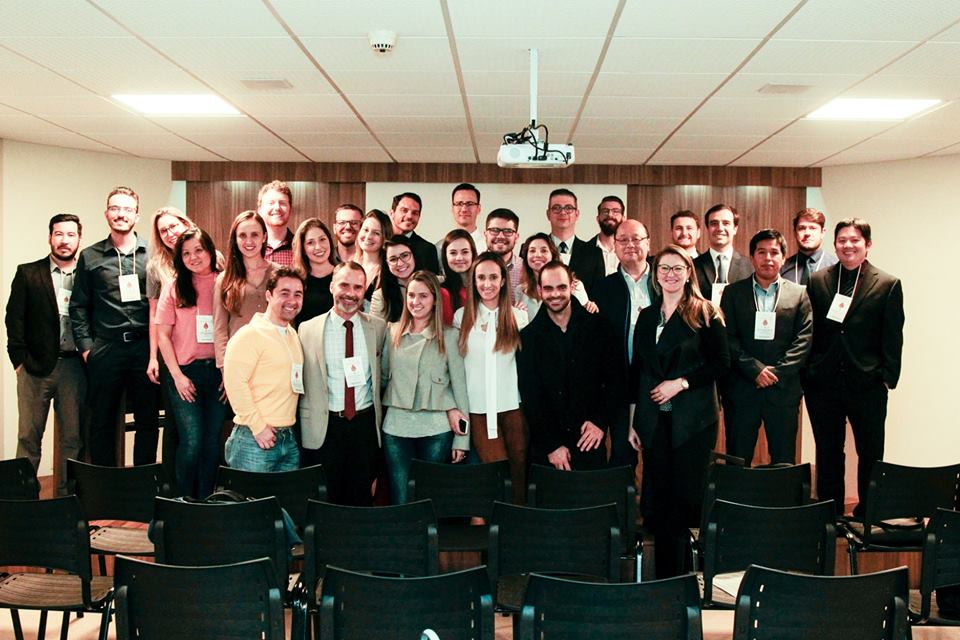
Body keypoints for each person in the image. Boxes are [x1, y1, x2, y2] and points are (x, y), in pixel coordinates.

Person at [629, 245, 729, 578]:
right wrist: (632, 421)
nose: (670, 274)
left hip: (693, 421)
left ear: (689, 273)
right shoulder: (647, 315)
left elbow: (721, 363)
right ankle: (664, 579)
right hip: (654, 419)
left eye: (677, 268)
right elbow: (638, 370)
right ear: (655, 275)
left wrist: (681, 383)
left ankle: (689, 577)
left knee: (687, 499)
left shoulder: (705, 312)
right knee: (658, 498)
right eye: (664, 269)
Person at [803, 218, 904, 517]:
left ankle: (867, 515)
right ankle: (830, 515)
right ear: (835, 245)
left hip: (868, 384)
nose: (848, 245)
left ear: (867, 244)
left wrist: (887, 378)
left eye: (855, 240)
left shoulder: (887, 284)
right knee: (828, 452)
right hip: (823, 384)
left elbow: (893, 336)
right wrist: (809, 372)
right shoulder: (818, 280)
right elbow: (810, 331)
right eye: (842, 240)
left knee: (871, 453)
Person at [70, 186, 160, 466]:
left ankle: (143, 481)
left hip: (144, 349)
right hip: (106, 349)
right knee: (102, 422)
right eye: (115, 208)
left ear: (137, 215)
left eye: (127, 209)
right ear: (106, 213)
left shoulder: (153, 254)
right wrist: (87, 349)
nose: (121, 214)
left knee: (147, 420)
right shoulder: (90, 256)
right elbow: (78, 306)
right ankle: (106, 486)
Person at [5, 213, 85, 495]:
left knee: (73, 439)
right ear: (50, 237)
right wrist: (19, 361)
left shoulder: (87, 276)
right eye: (59, 234)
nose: (64, 240)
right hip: (34, 369)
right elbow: (14, 319)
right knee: (28, 437)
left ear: (79, 239)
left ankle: (65, 499)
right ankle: (23, 500)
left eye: (71, 235)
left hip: (74, 368)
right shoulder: (28, 273)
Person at [517, 261, 622, 471]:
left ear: (572, 287)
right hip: (548, 450)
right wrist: (551, 445)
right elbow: (531, 396)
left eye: (561, 287)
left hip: (589, 439)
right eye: (548, 288)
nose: (555, 294)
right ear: (539, 290)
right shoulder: (527, 338)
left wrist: (599, 422)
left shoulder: (600, 328)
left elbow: (616, 380)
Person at [298, 262, 388, 505]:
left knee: (360, 499)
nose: (350, 293)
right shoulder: (307, 330)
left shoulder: (378, 328)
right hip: (324, 427)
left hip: (364, 426)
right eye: (344, 285)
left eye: (358, 287)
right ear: (331, 287)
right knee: (326, 500)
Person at [720, 229, 813, 464]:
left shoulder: (799, 294)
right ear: (752, 257)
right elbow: (728, 338)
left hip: (783, 391)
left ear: (784, 257)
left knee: (783, 460)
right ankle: (736, 491)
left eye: (774, 252)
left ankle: (781, 492)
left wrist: (776, 373)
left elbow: (803, 340)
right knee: (737, 460)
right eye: (761, 252)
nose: (768, 258)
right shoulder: (733, 293)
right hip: (742, 390)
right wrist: (755, 370)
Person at [381, 270, 470, 504]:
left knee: (428, 499)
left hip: (436, 428)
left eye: (423, 296)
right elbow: (383, 379)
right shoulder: (391, 332)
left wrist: (462, 439)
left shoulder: (449, 336)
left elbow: (460, 388)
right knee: (400, 498)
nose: (415, 302)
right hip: (396, 427)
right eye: (411, 295)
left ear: (435, 300)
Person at [155, 228, 228, 498]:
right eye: (186, 253)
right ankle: (183, 501)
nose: (193, 257)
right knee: (192, 441)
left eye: (198, 250)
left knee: (211, 443)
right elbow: (163, 335)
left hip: (218, 372)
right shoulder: (175, 287)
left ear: (210, 250)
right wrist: (177, 376)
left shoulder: (225, 282)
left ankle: (206, 500)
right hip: (185, 374)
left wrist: (229, 375)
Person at [453, 252, 529, 503]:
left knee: (518, 473)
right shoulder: (461, 317)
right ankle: (497, 522)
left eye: (494, 277)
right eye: (481, 277)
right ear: (473, 281)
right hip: (479, 410)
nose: (487, 284)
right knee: (495, 472)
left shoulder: (518, 317)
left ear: (503, 280)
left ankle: (518, 521)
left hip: (513, 408)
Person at [222, 267, 305, 472]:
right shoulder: (249, 335)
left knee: (287, 495)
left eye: (298, 294)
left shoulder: (293, 335)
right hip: (254, 438)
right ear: (268, 295)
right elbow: (235, 384)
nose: (292, 300)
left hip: (287, 438)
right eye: (284, 293)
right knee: (251, 495)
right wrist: (258, 428)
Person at [592, 219, 656, 468]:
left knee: (658, 458)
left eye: (636, 239)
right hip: (618, 384)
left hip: (657, 384)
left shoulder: (663, 282)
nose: (630, 244)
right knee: (621, 456)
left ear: (648, 244)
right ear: (615, 246)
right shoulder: (602, 288)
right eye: (623, 240)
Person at [213, 211, 278, 369]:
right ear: (235, 239)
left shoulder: (279, 274)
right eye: (242, 235)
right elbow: (220, 329)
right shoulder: (224, 279)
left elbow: (289, 321)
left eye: (254, 235)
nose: (249, 241)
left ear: (264, 237)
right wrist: (224, 367)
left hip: (274, 357)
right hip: (238, 361)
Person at [145, 207, 191, 384]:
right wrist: (153, 357)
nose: (170, 234)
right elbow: (154, 314)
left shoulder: (211, 257)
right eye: (163, 231)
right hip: (172, 348)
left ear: (185, 224)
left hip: (206, 347)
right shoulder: (156, 267)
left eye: (173, 226)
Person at [515, 233, 591, 323]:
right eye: (532, 251)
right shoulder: (520, 291)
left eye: (544, 250)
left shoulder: (575, 286)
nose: (537, 255)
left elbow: (585, 320)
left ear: (553, 255)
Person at [692, 204, 753, 306]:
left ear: (735, 229)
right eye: (714, 223)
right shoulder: (693, 266)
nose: (720, 228)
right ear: (707, 228)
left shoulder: (750, 266)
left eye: (726, 223)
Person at [545, 188, 605, 292]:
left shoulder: (594, 253)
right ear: (548, 214)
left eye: (568, 208)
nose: (563, 212)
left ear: (577, 214)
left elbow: (599, 294)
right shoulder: (533, 250)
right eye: (556, 208)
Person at [291, 218, 335, 326]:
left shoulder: (343, 274)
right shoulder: (295, 279)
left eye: (322, 239)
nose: (318, 247)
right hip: (303, 336)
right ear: (303, 249)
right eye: (310, 243)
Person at [780, 208, 839, 286]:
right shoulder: (782, 268)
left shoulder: (836, 266)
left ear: (822, 232)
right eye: (802, 228)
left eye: (813, 228)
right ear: (795, 233)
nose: (807, 233)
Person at [389, 192, 441, 275]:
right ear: (392, 213)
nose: (409, 216)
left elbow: (431, 281)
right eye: (404, 210)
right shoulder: (380, 242)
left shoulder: (427, 250)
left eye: (415, 213)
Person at [369, 236, 418, 323]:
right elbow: (373, 330)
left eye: (405, 255)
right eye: (393, 259)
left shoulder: (432, 284)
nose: (400, 263)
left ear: (414, 256)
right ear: (387, 264)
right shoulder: (380, 296)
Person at [435, 183, 485, 266]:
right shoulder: (440, 247)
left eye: (470, 203)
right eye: (459, 204)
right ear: (452, 208)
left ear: (478, 208)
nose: (464, 209)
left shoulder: (488, 246)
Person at [484, 208, 523, 303]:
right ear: (485, 234)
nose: (500, 236)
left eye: (508, 231)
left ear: (516, 237)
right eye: (494, 230)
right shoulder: (474, 265)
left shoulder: (526, 268)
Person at [439, 228, 477, 321]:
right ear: (445, 256)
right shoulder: (443, 292)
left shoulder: (484, 286)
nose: (459, 258)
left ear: (472, 254)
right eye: (453, 253)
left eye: (465, 252)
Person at [357, 209, 393, 303]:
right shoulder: (349, 265)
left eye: (376, 233)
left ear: (385, 238)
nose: (368, 236)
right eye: (365, 230)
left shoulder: (388, 273)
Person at [258, 180, 294, 266]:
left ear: (290, 210)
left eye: (282, 203)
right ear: (260, 210)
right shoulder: (250, 247)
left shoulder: (301, 247)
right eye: (271, 203)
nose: (277, 207)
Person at [589, 195, 625, 276]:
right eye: (605, 211)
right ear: (598, 218)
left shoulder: (629, 251)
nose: (610, 215)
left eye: (615, 211)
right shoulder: (583, 251)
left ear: (623, 219)